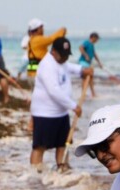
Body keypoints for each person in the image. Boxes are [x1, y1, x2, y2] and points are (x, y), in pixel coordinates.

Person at [30, 37, 92, 172]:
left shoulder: (62, 61)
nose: (65, 58)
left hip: (61, 113)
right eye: (62, 55)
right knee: (40, 146)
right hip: (44, 113)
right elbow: (54, 91)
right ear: (54, 52)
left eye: (66, 55)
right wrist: (73, 106)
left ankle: (63, 169)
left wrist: (83, 69)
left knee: (63, 144)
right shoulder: (47, 64)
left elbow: (70, 67)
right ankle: (34, 175)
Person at [78, 32, 103, 97]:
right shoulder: (87, 42)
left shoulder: (92, 45)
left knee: (90, 77)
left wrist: (99, 63)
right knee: (85, 77)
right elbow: (80, 47)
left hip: (87, 64)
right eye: (97, 39)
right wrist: (86, 55)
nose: (97, 41)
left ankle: (92, 93)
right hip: (83, 62)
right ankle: (84, 94)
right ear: (93, 38)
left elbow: (94, 54)